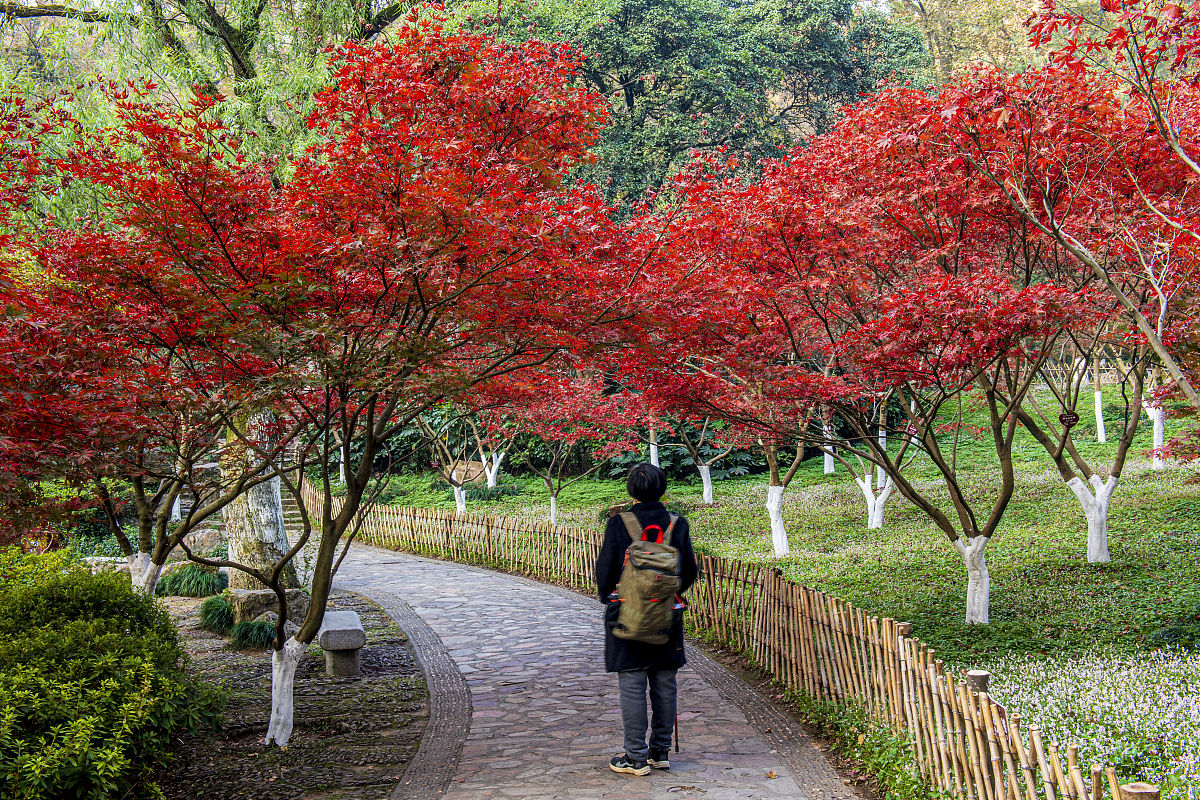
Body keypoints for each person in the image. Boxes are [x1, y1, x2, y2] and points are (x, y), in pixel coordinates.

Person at [596, 463, 698, 776]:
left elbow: (606, 570)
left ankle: (635, 757)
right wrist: (664, 593)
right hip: (666, 614)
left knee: (632, 682)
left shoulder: (618, 524)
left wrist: (609, 597)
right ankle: (660, 752)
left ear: (631, 490)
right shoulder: (676, 523)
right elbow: (689, 571)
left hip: (626, 613)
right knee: (665, 682)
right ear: (662, 488)